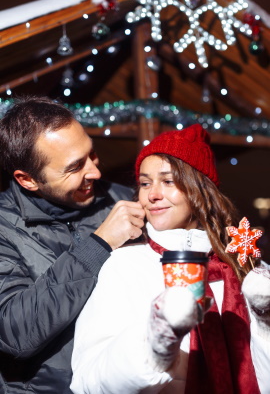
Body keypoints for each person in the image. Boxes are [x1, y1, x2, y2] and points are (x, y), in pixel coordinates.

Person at [71, 124, 270, 394]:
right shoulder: (124, 265)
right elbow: (89, 381)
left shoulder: (245, 265)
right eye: (144, 183)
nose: (152, 194)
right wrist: (156, 345)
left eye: (168, 181)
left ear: (199, 189)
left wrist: (264, 322)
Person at [0, 96, 145, 394]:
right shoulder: (3, 226)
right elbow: (15, 335)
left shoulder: (121, 199)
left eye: (91, 155)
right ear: (28, 180)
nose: (95, 172)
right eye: (75, 167)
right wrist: (99, 245)